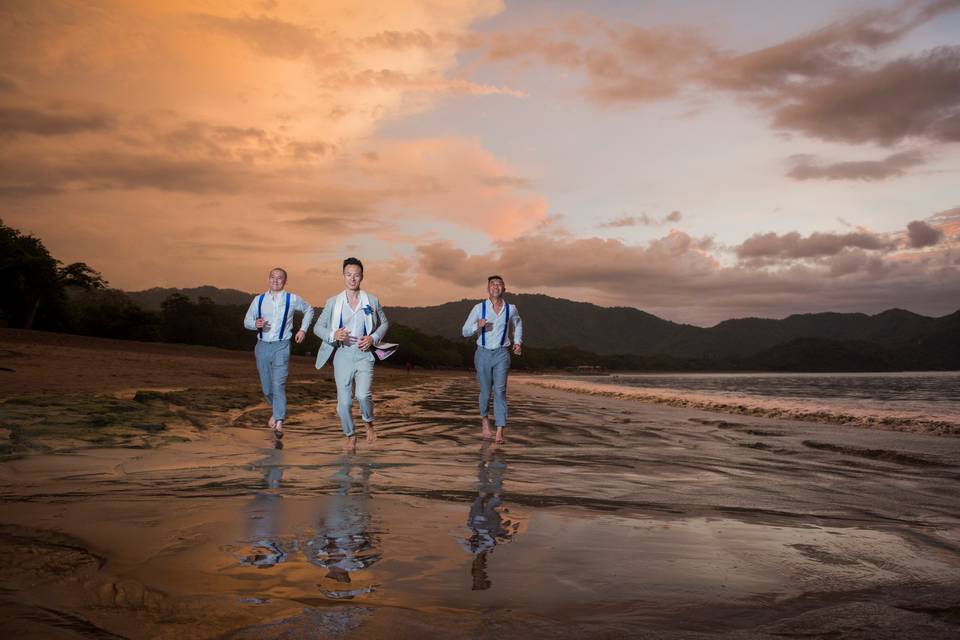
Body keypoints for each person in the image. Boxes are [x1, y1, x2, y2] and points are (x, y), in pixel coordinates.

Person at [313, 258, 389, 452]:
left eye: (356, 275)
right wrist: (333, 334)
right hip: (342, 355)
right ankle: (350, 435)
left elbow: (385, 323)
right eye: (348, 274)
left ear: (361, 276)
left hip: (364, 355)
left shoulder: (371, 300)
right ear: (343, 276)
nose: (352, 278)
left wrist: (373, 338)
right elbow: (317, 327)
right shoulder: (333, 302)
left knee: (363, 395)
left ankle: (369, 423)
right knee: (343, 404)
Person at [243, 267, 314, 439]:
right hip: (262, 347)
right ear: (268, 279)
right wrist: (255, 324)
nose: (276, 280)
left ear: (285, 281)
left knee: (278, 384)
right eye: (273, 277)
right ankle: (276, 411)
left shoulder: (292, 299)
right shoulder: (258, 300)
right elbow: (247, 321)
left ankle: (280, 421)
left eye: (280, 278)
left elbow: (309, 310)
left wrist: (303, 330)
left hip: (282, 346)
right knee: (267, 388)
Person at [461, 275, 522, 444]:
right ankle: (485, 420)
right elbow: (464, 331)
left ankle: (500, 430)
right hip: (483, 354)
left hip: (502, 354)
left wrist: (517, 342)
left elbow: (518, 324)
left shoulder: (511, 309)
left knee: (500, 391)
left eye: (499, 284)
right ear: (488, 289)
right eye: (492, 284)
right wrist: (477, 326)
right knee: (486, 392)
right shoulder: (478, 308)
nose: (496, 286)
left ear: (504, 289)